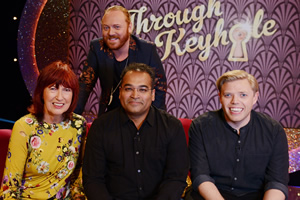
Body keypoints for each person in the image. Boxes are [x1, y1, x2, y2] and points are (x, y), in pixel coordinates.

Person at [82, 63, 189, 200]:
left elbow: (176, 178)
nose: (135, 95)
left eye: (143, 90)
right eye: (129, 89)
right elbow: (93, 180)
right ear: (120, 93)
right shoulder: (101, 127)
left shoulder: (172, 126)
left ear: (153, 94)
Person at [188, 70, 289, 200]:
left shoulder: (274, 130)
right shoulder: (200, 126)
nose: (235, 101)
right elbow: (200, 175)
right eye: (228, 95)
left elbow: (276, 182)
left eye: (243, 95)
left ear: (255, 97)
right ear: (220, 97)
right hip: (211, 196)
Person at [0, 61, 86, 199]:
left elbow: (79, 177)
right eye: (53, 88)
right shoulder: (24, 127)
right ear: (41, 92)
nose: (60, 97)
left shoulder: (78, 125)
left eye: (67, 90)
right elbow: (9, 188)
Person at [75, 5, 167, 117]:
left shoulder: (147, 50)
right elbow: (84, 85)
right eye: (106, 27)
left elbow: (159, 89)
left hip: (140, 116)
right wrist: (71, 120)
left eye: (117, 27)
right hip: (109, 117)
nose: (111, 32)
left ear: (129, 27)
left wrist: (154, 122)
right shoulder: (97, 48)